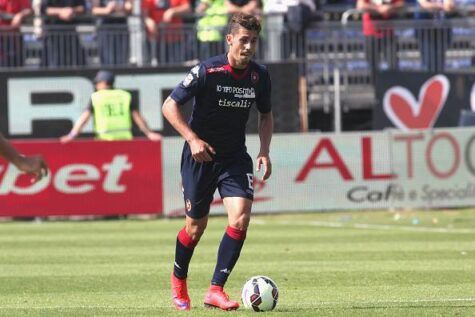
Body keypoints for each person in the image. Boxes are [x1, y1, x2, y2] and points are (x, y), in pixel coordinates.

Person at [162, 13, 273, 311]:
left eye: (253, 41)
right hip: (200, 156)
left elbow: (266, 115)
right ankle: (178, 280)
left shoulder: (259, 76)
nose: (249, 47)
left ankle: (215, 289)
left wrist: (264, 150)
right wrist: (192, 139)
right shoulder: (208, 71)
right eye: (243, 40)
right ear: (230, 40)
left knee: (240, 218)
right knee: (195, 228)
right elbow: (169, 105)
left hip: (234, 157)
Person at [60, 70, 162, 143]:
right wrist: (149, 134)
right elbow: (138, 118)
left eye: (97, 83)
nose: (96, 86)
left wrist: (72, 135)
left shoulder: (96, 97)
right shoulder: (125, 95)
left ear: (104, 83)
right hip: (125, 140)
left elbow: (84, 119)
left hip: (103, 141)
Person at [357, 0, 405, 84]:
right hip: (370, 32)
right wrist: (378, 9)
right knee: (373, 65)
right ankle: (375, 89)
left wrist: (390, 7)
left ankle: (392, 88)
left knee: (393, 64)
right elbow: (361, 5)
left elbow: (401, 4)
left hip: (388, 32)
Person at [141, 0, 192, 64]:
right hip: (157, 39)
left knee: (176, 66)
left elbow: (187, 8)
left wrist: (173, 11)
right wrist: (148, 21)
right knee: (161, 67)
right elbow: (145, 14)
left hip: (175, 39)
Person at [42, 0, 86, 67]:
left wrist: (71, 10)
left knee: (78, 62)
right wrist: (61, 11)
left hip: (71, 32)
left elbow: (82, 7)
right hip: (53, 33)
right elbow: (45, 9)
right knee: (55, 64)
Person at [415, 0, 455, 72]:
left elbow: (449, 7)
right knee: (427, 63)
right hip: (425, 32)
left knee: (440, 64)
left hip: (442, 31)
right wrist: (441, 6)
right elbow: (425, 5)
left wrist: (438, 6)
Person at [91, 0, 133, 66]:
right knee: (107, 61)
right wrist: (107, 10)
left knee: (122, 61)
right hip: (105, 29)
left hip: (121, 28)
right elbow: (94, 10)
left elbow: (129, 7)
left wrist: (119, 7)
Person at [0, 0, 33, 67]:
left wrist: (20, 15)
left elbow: (29, 10)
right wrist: (13, 17)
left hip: (15, 35)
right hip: (2, 34)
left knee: (17, 64)